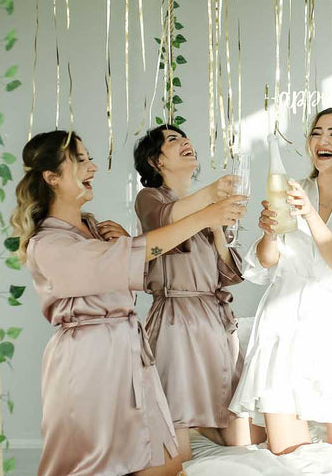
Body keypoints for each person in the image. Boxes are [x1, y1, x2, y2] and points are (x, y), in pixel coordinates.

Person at [10, 130, 246, 476]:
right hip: (88, 361)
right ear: (52, 177)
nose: (94, 167)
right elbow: (130, 257)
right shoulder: (49, 244)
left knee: (165, 473)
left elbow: (141, 256)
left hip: (132, 355)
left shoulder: (95, 229)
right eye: (82, 160)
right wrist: (203, 214)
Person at [230, 108, 332, 454]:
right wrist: (270, 233)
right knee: (290, 455)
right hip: (283, 323)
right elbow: (265, 264)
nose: (323, 140)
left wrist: (308, 213)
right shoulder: (292, 189)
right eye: (317, 133)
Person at [109, 125, 264, 446]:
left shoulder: (211, 209)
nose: (186, 141)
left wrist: (219, 228)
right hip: (176, 321)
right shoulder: (150, 198)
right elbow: (164, 221)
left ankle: (202, 424)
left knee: (247, 436)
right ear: (155, 161)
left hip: (216, 322)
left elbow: (230, 274)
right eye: (173, 140)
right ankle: (180, 429)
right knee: (175, 424)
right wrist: (209, 205)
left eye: (185, 136)